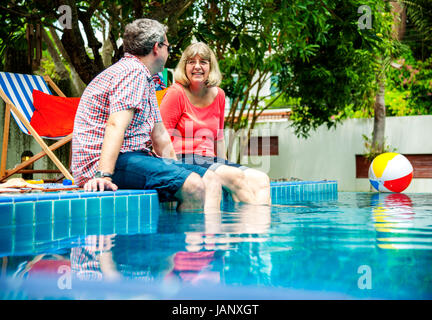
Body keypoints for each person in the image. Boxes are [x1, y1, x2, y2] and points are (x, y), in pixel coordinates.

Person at [71, 19, 221, 212]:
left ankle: (209, 241)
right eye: (167, 46)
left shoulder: (146, 77)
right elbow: (116, 124)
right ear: (157, 48)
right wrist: (103, 174)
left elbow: (159, 134)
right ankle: (181, 241)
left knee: (211, 178)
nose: (168, 52)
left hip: (131, 158)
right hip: (107, 162)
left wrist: (177, 170)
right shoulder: (132, 72)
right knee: (193, 185)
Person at [159, 42, 271, 205]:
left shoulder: (219, 94)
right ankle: (246, 226)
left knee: (262, 179)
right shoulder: (176, 93)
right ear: (184, 67)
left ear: (210, 67)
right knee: (235, 177)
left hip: (209, 160)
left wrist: (224, 165)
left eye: (203, 62)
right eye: (191, 62)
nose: (197, 67)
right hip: (183, 159)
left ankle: (256, 227)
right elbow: (161, 136)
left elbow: (218, 138)